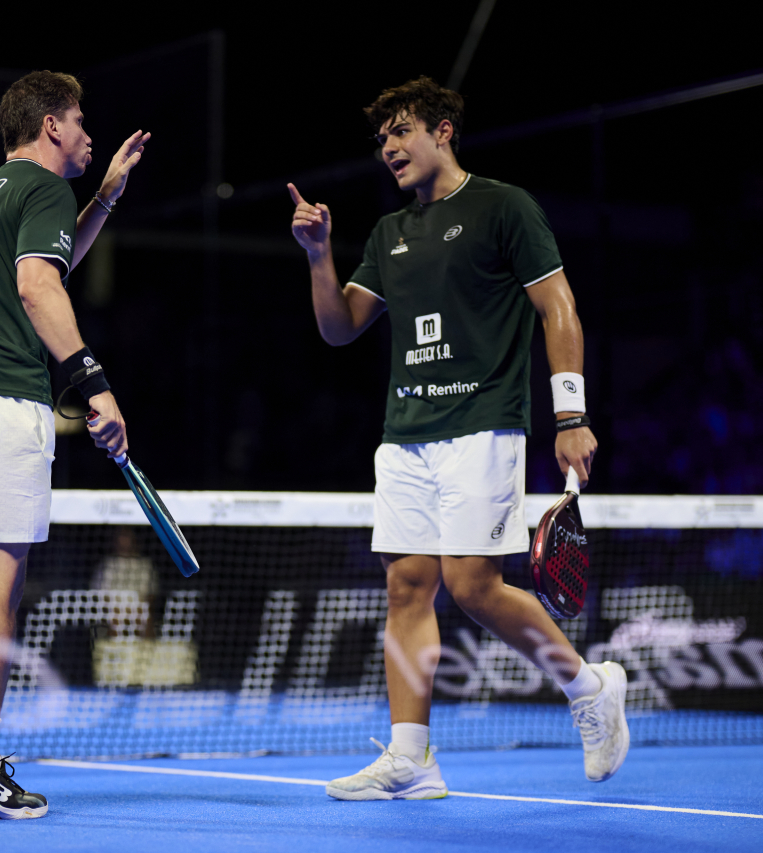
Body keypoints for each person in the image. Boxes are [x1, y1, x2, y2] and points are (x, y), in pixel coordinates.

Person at [287, 77, 626, 802]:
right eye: (381, 140)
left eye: (401, 132)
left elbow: (556, 304)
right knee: (406, 585)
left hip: (483, 422)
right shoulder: (390, 233)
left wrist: (571, 416)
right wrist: (318, 254)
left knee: (473, 585)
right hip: (405, 434)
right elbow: (340, 327)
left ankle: (589, 686)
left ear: (443, 130)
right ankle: (411, 759)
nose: (388, 149)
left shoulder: (504, 207)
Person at [0, 70, 146, 821]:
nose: (87, 134)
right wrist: (94, 383)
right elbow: (41, 287)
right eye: (79, 121)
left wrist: (104, 196)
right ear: (49, 125)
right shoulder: (43, 189)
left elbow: (40, 264)